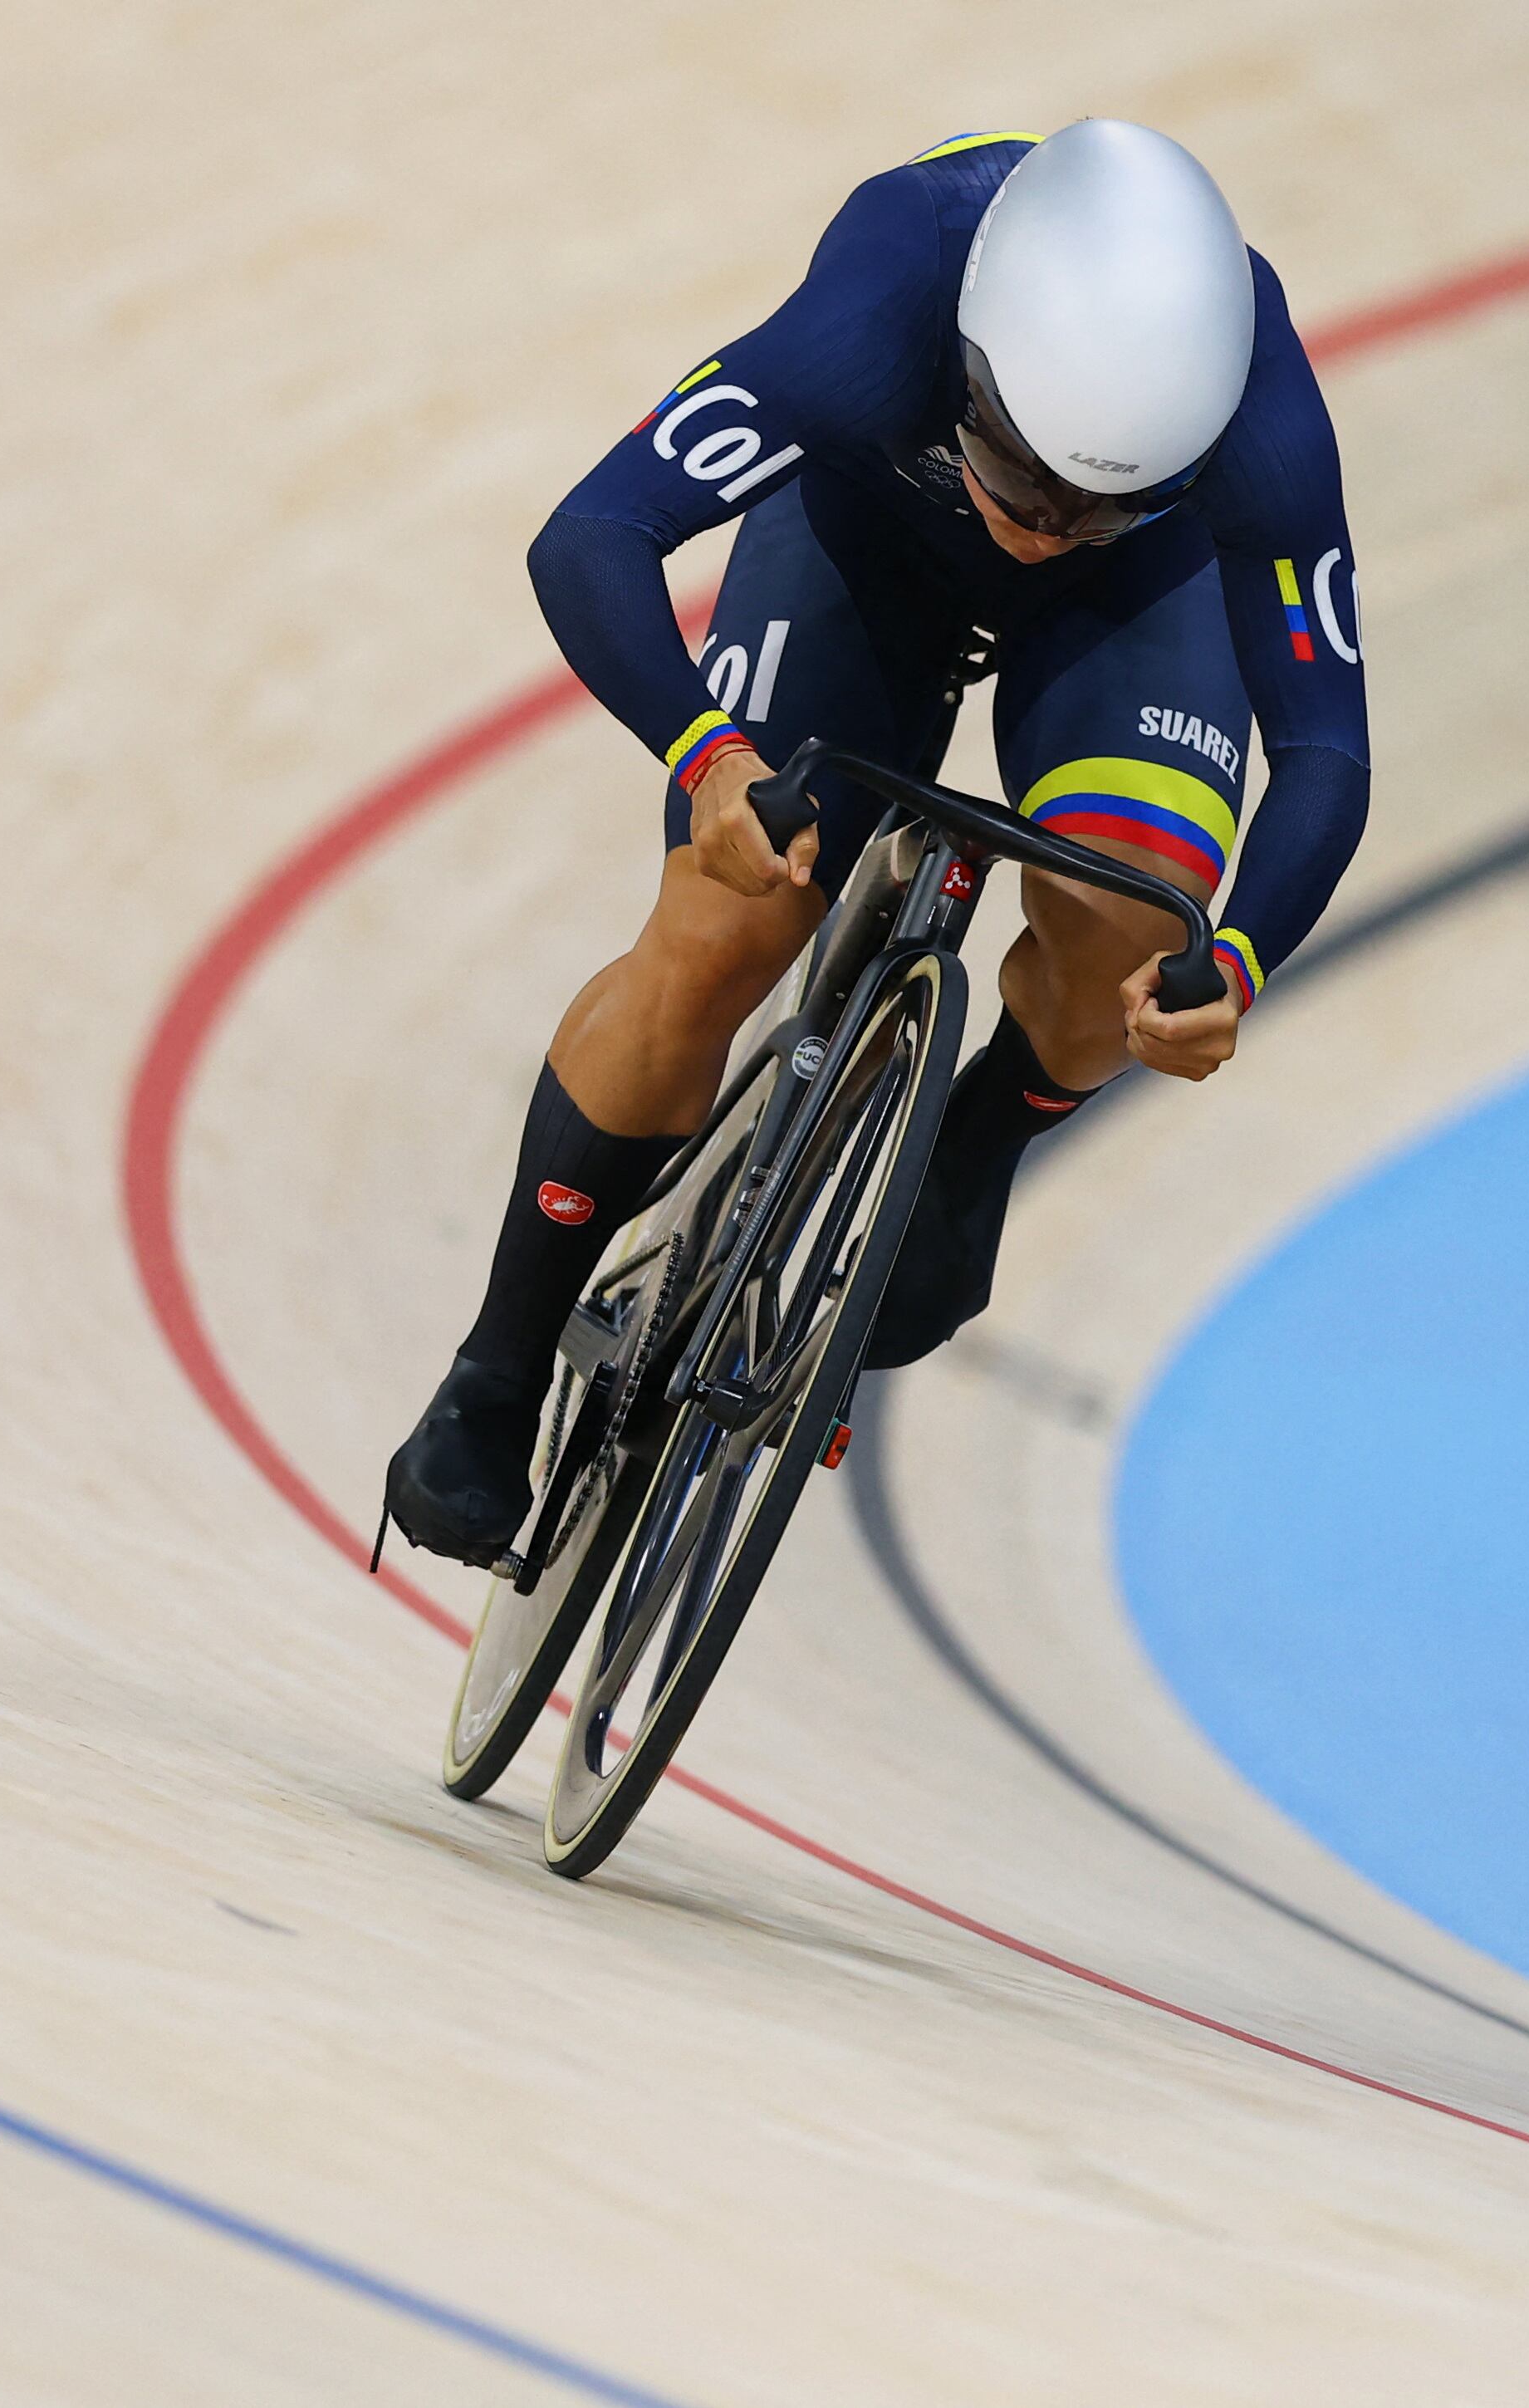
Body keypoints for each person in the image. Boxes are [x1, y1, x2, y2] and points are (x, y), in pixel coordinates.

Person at [383, 120, 1371, 1567]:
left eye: (1103, 498)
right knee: (727, 923)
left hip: (1136, 614)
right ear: (965, 368)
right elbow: (590, 537)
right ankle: (498, 1362)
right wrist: (708, 759)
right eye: (1024, 477)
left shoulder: (1259, 416)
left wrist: (1239, 960)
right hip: (857, 550)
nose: (1047, 530)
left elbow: (1328, 751)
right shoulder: (881, 299)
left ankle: (976, 1142)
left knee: (1134, 931)